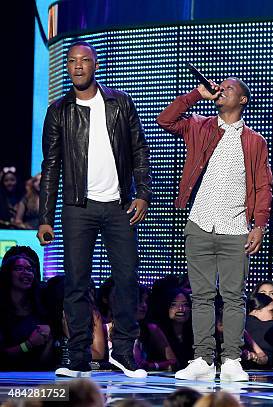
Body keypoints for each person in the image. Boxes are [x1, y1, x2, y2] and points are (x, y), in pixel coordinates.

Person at [38, 40, 152, 378]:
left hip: (119, 205)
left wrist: (143, 193)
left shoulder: (120, 103)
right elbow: (51, 166)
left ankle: (124, 353)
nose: (76, 66)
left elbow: (139, 151)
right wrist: (45, 218)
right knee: (75, 283)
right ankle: (77, 357)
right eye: (71, 61)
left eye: (83, 60)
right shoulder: (59, 111)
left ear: (95, 64)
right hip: (78, 207)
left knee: (128, 278)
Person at [157, 76, 272, 381]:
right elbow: (165, 120)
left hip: (235, 228)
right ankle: (203, 360)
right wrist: (197, 93)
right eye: (220, 86)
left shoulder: (254, 140)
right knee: (201, 296)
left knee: (234, 296)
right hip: (199, 223)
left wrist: (258, 225)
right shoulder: (199, 125)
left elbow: (263, 186)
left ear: (243, 100)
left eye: (230, 88)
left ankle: (232, 359)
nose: (222, 90)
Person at [0, 250, 54, 370]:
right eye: (19, 268)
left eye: (29, 270)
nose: (26, 273)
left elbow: (45, 362)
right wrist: (28, 344)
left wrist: (50, 337)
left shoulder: (41, 308)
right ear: (7, 274)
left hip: (36, 377)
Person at [151, 287, 195, 370]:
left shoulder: (196, 332)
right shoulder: (156, 330)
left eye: (185, 304)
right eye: (174, 304)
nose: (181, 309)